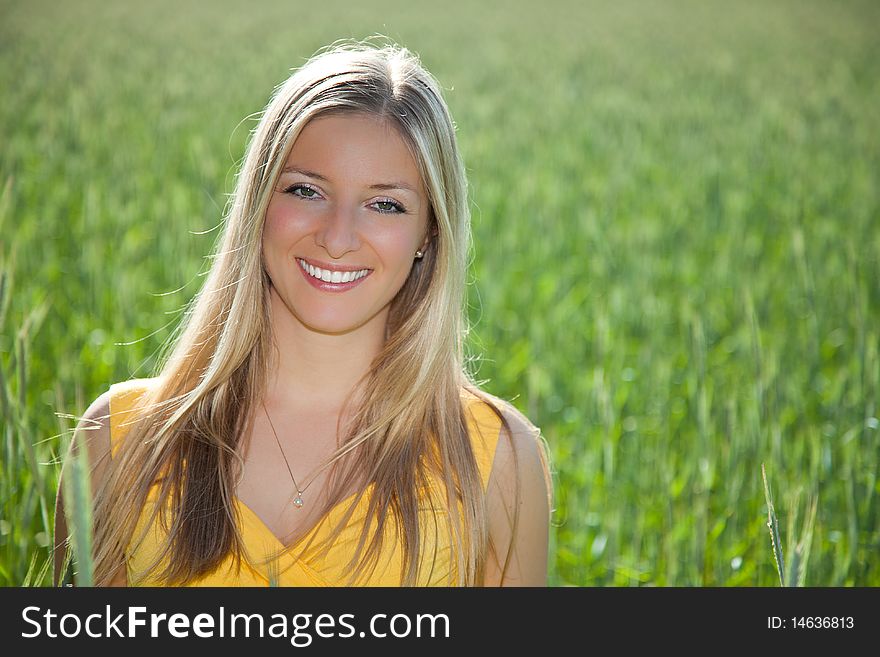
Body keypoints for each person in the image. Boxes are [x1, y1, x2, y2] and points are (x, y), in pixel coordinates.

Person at [54, 40, 552, 587]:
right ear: (260, 201)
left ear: (428, 233)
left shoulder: (494, 460)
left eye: (385, 204)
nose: (337, 238)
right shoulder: (120, 441)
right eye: (306, 191)